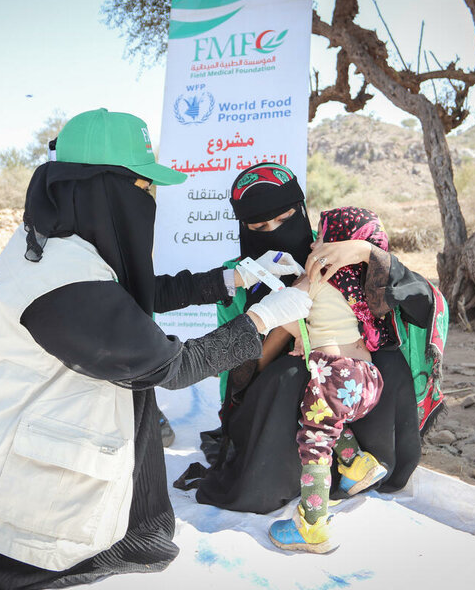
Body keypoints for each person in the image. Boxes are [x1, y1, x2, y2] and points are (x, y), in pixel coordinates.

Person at [0, 109, 312, 589]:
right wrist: (264, 316)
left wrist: (232, 278)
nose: (150, 199)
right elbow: (173, 367)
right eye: (142, 188)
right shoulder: (64, 283)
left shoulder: (53, 242)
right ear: (102, 188)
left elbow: (132, 295)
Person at [178, 162, 446, 516]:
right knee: (290, 375)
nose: (273, 231)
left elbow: (422, 302)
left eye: (284, 218)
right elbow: (243, 370)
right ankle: (307, 490)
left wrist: (367, 254)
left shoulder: (336, 252)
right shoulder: (241, 276)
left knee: (384, 363)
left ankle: (365, 462)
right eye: (258, 227)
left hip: (351, 378)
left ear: (302, 211)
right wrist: (282, 318)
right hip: (275, 398)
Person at [263, 207, 392, 553]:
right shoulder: (361, 282)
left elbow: (289, 314)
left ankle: (312, 524)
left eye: (320, 237)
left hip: (335, 373)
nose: (313, 243)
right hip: (366, 378)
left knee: (314, 443)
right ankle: (355, 463)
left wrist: (293, 327)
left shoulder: (316, 275)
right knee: (327, 420)